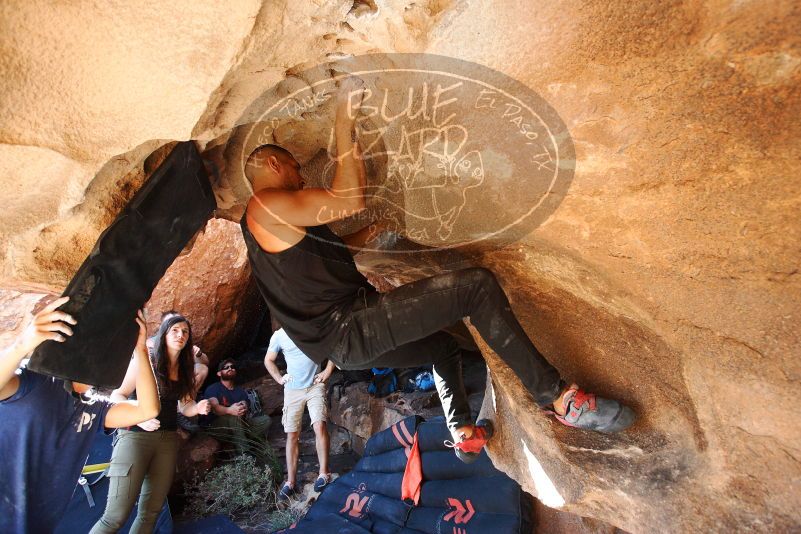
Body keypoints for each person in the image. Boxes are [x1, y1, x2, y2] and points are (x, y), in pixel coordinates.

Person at [240, 78, 635, 463]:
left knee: (443, 348)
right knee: (476, 288)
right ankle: (560, 399)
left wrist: (375, 227)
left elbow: (334, 250)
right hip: (351, 326)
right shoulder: (266, 205)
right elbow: (348, 198)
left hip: (344, 346)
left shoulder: (269, 228)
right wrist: (344, 120)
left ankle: (462, 431)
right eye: (294, 167)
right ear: (273, 164)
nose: (302, 175)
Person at [0, 297, 160, 533]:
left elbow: (148, 410)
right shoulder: (35, 380)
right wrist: (22, 344)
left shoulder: (94, 406)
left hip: (40, 524)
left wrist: (140, 350)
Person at [91, 314, 211, 533]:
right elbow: (118, 395)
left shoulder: (185, 370)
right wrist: (141, 415)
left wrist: (198, 408)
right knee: (114, 518)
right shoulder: (146, 361)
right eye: (174, 330)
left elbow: (185, 406)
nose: (180, 335)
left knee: (150, 514)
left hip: (167, 441)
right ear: (163, 334)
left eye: (185, 331)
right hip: (135, 437)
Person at [264, 327, 335, 500]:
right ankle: (290, 482)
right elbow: (268, 360)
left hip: (314, 385)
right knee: (292, 434)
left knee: (319, 424)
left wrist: (327, 371)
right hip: (292, 390)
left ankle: (324, 473)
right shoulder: (279, 335)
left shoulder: (313, 327)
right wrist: (280, 379)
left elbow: (334, 346)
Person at [203, 358, 272, 458]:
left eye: (232, 367)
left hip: (239, 426)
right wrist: (229, 410)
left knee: (266, 420)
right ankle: (245, 455)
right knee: (234, 416)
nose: (230, 368)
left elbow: (245, 404)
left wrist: (244, 406)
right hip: (217, 427)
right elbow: (215, 408)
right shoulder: (213, 388)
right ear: (219, 373)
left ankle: (237, 442)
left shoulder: (240, 391)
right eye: (226, 367)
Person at [146, 309, 209, 393]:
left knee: (202, 368)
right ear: (163, 327)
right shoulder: (152, 344)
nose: (180, 334)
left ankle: (186, 397)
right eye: (174, 327)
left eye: (184, 331)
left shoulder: (182, 341)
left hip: (177, 373)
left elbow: (205, 362)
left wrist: (198, 353)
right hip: (156, 380)